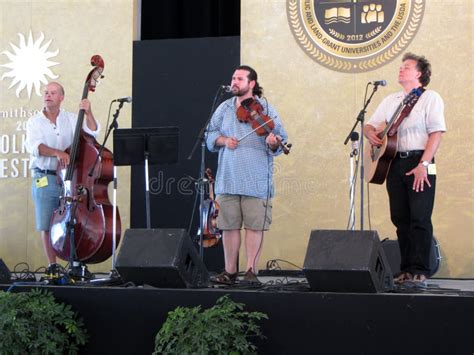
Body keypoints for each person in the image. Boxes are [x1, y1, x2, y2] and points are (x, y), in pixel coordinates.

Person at [364, 53, 446, 285]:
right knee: (400, 217)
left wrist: (424, 164)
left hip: (421, 160)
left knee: (420, 216)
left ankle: (421, 269)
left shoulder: (430, 98)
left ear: (419, 73)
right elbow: (370, 126)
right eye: (400, 67)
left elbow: (436, 133)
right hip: (393, 162)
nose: (401, 70)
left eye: (406, 67)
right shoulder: (391, 100)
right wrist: (370, 133)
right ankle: (406, 269)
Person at [206, 65, 288, 284]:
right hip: (228, 178)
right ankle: (230, 271)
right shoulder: (223, 108)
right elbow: (209, 135)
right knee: (228, 227)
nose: (234, 82)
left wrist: (273, 143)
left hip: (256, 179)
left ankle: (251, 271)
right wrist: (223, 140)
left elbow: (280, 140)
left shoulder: (267, 108)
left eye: (240, 78)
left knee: (254, 226)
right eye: (233, 78)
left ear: (251, 83)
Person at [26, 82, 100, 276]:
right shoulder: (34, 122)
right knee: (47, 224)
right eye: (46, 92)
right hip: (46, 177)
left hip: (70, 179)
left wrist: (89, 111)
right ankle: (53, 268)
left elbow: (92, 132)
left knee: (74, 222)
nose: (48, 95)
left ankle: (76, 266)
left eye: (53, 93)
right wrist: (59, 153)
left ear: (61, 98)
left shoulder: (71, 119)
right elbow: (36, 147)